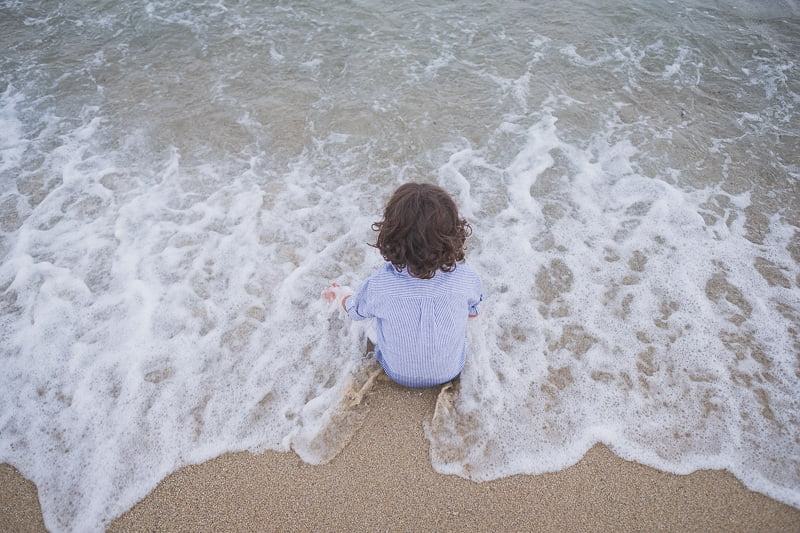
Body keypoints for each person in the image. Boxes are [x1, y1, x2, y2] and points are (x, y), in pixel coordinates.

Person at [323, 182, 483, 388]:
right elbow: (473, 314)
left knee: (368, 310)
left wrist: (342, 296)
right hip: (451, 371)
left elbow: (355, 313)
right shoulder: (467, 278)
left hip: (397, 373)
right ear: (453, 233)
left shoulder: (380, 283)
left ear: (391, 234)